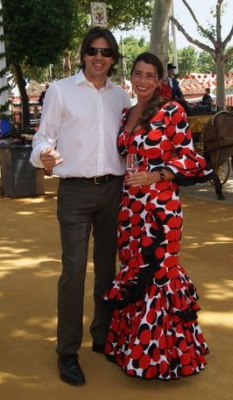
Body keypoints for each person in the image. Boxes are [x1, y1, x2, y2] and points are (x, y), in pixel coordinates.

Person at [30, 26, 130, 386]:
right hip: (74, 191)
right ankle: (67, 351)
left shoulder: (122, 97)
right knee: (73, 272)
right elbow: (44, 134)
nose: (98, 57)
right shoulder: (60, 91)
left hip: (113, 191)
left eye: (105, 52)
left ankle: (102, 336)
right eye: (92, 50)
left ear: (114, 58)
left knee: (107, 269)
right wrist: (43, 154)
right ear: (84, 53)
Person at [103, 52, 212, 380]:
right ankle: (131, 348)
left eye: (150, 75)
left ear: (160, 79)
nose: (143, 81)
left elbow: (192, 159)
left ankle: (164, 358)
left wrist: (159, 174)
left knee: (160, 273)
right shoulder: (126, 113)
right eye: (138, 74)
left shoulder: (172, 110)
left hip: (161, 208)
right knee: (134, 270)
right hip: (130, 206)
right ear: (131, 75)